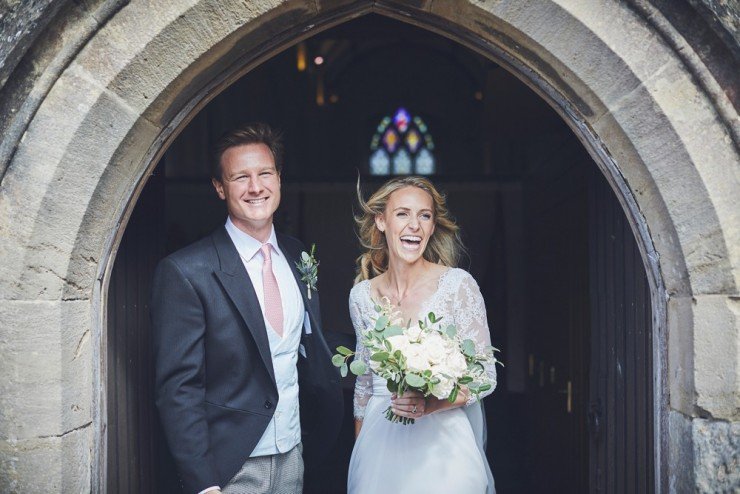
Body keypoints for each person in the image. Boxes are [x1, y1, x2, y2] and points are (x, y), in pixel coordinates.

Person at [151, 123, 342, 494]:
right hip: (229, 467)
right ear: (220, 187)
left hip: (294, 453)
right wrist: (204, 483)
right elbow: (179, 388)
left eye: (265, 173)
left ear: (279, 179)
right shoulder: (186, 271)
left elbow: (306, 347)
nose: (256, 188)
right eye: (241, 177)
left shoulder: (297, 254)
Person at [347, 176, 496, 494]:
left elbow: (484, 376)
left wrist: (431, 403)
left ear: (431, 227)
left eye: (424, 216)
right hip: (379, 446)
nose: (414, 224)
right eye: (402, 213)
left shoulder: (457, 286)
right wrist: (360, 455)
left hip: (444, 452)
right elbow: (364, 385)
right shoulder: (361, 296)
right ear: (381, 221)